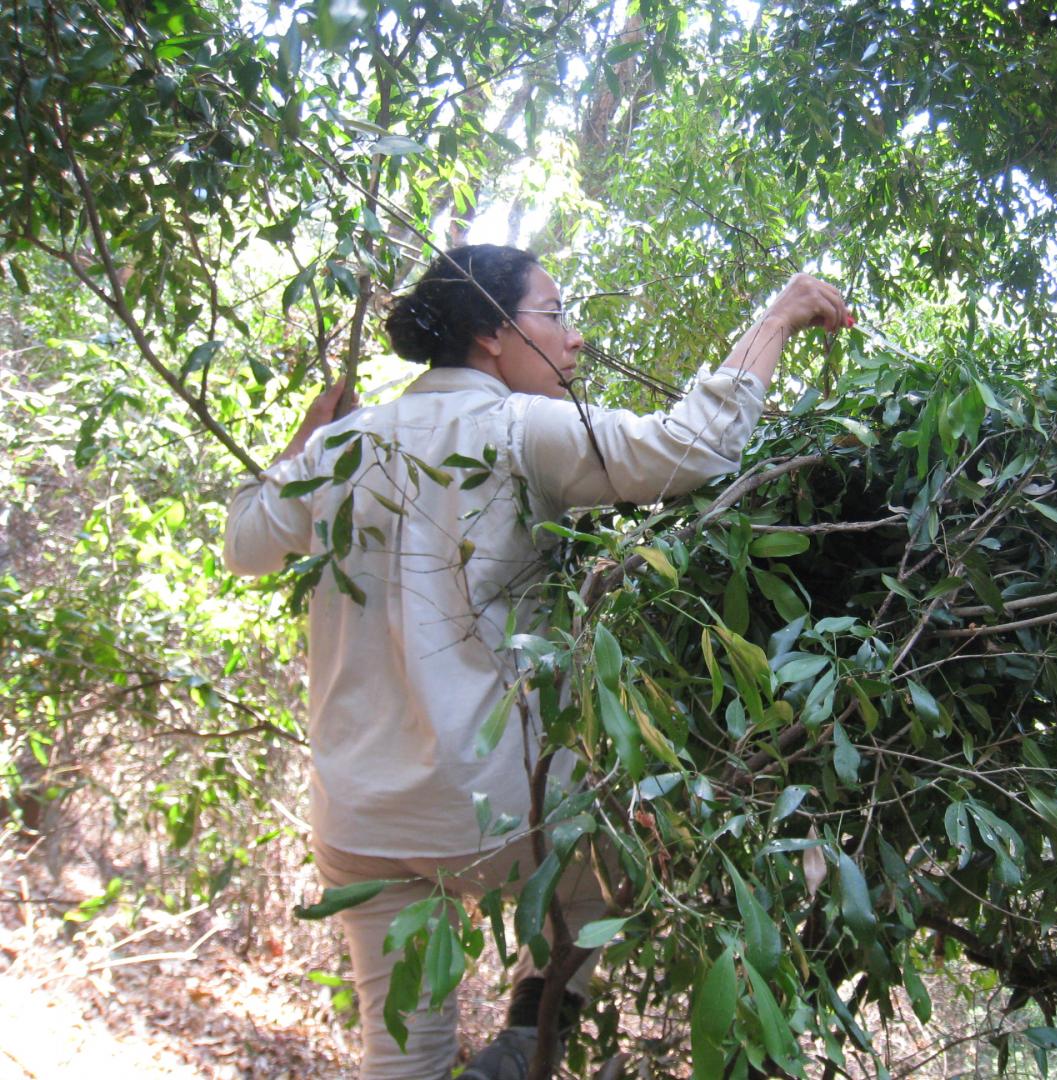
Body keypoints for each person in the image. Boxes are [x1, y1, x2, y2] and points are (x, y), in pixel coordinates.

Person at [223, 244, 849, 1080]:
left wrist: (303, 441)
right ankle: (528, 1031)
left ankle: (503, 1047)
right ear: (491, 334)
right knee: (624, 839)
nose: (575, 339)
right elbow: (690, 449)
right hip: (494, 818)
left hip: (361, 819)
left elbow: (245, 541)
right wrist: (778, 319)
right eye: (556, 316)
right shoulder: (520, 430)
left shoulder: (346, 447)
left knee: (399, 1054)